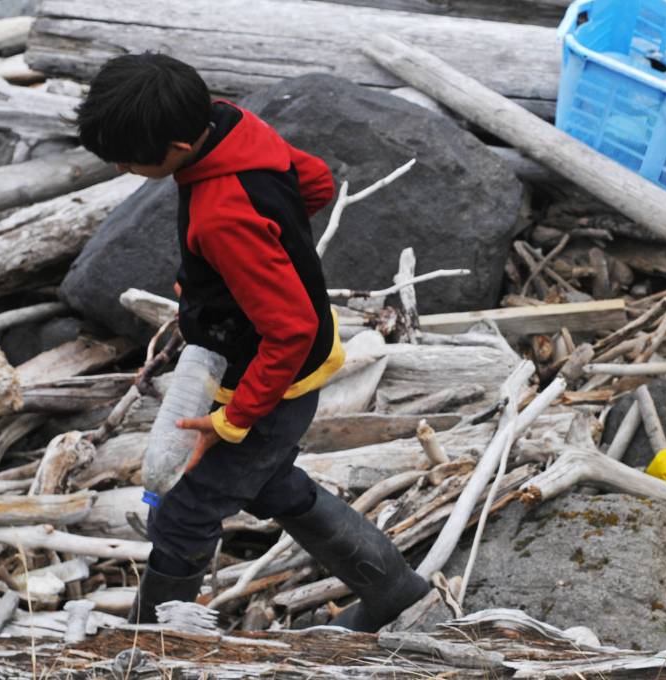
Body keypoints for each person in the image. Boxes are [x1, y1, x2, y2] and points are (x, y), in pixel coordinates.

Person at [76, 52, 428, 631]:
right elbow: (311, 180)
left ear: (179, 150)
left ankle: (156, 647)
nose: (121, 168)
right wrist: (259, 254)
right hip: (275, 360)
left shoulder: (222, 215)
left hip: (271, 382)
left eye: (129, 159)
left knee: (184, 516)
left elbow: (291, 329)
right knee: (270, 485)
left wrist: (231, 420)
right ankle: (395, 588)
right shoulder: (234, 126)